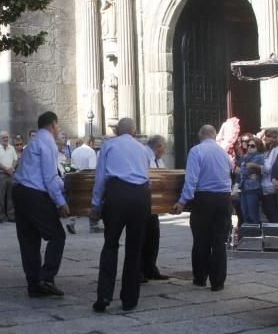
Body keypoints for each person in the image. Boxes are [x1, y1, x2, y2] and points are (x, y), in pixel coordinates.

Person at [89, 118, 151, 312]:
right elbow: (147, 176)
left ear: (117, 131)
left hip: (117, 193)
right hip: (140, 195)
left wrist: (95, 204)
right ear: (133, 131)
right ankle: (129, 299)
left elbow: (100, 177)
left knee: (110, 244)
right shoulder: (142, 149)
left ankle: (105, 295)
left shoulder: (109, 145)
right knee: (134, 248)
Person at [13, 111, 70, 298]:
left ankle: (34, 283)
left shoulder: (34, 142)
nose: (58, 129)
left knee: (29, 239)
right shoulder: (47, 142)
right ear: (53, 124)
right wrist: (61, 202)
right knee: (57, 236)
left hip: (20, 191)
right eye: (58, 125)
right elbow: (49, 176)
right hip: (35, 194)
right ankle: (45, 277)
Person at [171, 124, 232, 291]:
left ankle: (200, 277)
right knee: (219, 241)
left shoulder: (196, 151)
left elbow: (192, 179)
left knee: (201, 240)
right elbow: (229, 173)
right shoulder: (224, 153)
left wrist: (182, 201)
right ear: (213, 135)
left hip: (204, 198)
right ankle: (218, 282)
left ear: (200, 136)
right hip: (224, 198)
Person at [141, 134, 169, 281]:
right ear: (158, 146)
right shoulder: (144, 156)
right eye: (164, 147)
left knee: (153, 236)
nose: (165, 150)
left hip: (155, 204)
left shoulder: (158, 159)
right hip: (143, 201)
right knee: (141, 237)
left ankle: (150, 268)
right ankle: (139, 270)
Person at [235, 136, 265, 225]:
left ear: (258, 147)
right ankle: (249, 234)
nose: (249, 147)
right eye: (248, 145)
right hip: (243, 188)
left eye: (252, 146)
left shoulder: (259, 157)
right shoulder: (245, 157)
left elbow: (245, 171)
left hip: (252, 189)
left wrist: (241, 169)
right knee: (245, 215)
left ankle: (255, 235)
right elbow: (236, 170)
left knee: (253, 215)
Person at [0, 131, 18, 223]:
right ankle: (0, 216)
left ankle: (11, 216)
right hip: (0, 174)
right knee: (0, 196)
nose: (6, 139)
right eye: (4, 138)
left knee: (11, 196)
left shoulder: (12, 148)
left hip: (10, 174)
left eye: (7, 137)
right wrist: (7, 169)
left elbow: (15, 160)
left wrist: (12, 168)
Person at [259, 129, 278, 223]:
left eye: (268, 136)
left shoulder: (276, 150)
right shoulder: (269, 150)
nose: (265, 138)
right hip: (266, 186)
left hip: (270, 186)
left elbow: (268, 168)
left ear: (274, 138)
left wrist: (258, 165)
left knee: (272, 212)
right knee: (268, 210)